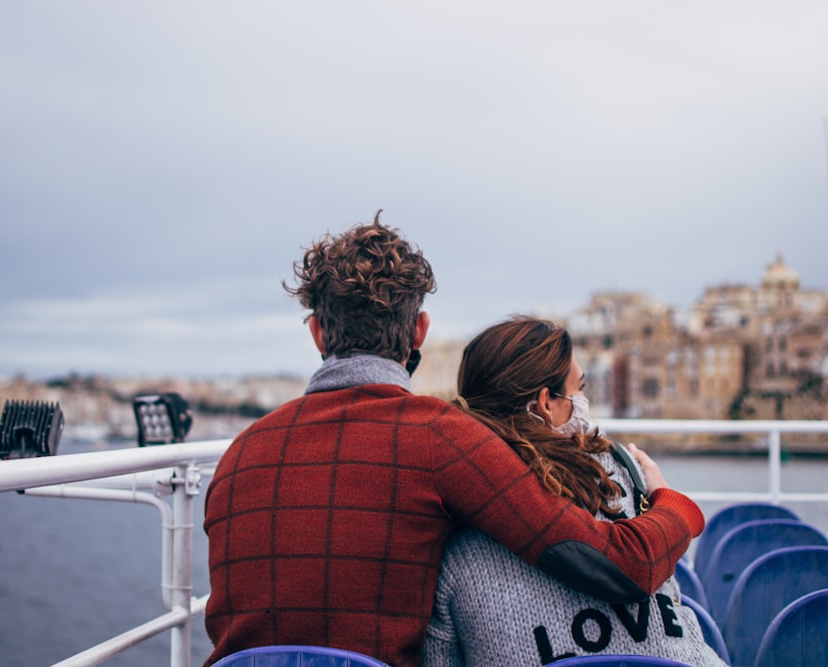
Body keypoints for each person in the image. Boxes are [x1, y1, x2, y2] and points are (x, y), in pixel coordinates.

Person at [203, 215, 704, 667]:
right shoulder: (440, 436)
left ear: (316, 333)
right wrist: (674, 506)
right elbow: (614, 564)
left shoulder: (239, 454)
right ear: (419, 330)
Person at [422, 316, 726, 666]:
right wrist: (668, 508)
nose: (583, 401)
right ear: (546, 403)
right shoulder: (622, 475)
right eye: (579, 389)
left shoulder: (455, 515)